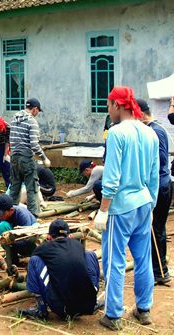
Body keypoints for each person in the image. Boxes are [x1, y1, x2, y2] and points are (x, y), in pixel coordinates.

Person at [93, 86, 159, 330]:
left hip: (120, 207)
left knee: (114, 260)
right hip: (143, 202)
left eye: (109, 105)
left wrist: (103, 210)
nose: (108, 111)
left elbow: (111, 177)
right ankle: (144, 309)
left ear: (118, 106)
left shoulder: (117, 133)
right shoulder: (149, 132)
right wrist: (151, 205)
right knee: (143, 259)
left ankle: (112, 314)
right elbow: (153, 175)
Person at [18, 219, 100, 320]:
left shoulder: (45, 247)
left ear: (49, 237)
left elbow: (35, 262)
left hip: (62, 308)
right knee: (89, 254)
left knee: (34, 260)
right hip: (87, 305)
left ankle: (41, 309)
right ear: (70, 236)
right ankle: (94, 299)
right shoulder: (77, 245)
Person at [138, 98, 172, 285]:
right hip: (163, 183)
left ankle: (160, 271)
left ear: (142, 113)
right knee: (157, 228)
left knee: (155, 228)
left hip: (159, 185)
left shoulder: (154, 131)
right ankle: (158, 267)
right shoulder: (157, 128)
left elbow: (159, 158)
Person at [8, 98, 51, 217]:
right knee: (31, 188)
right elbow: (34, 144)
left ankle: (10, 215)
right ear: (35, 109)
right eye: (38, 111)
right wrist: (44, 157)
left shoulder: (14, 119)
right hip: (26, 157)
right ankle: (33, 217)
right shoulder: (32, 121)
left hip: (14, 157)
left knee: (14, 188)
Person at [0, 194, 37, 265]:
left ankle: (31, 257)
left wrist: (10, 241)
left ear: (11, 210)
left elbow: (26, 237)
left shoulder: (22, 215)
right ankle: (14, 261)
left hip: (30, 242)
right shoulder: (0, 214)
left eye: (1, 213)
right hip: (15, 239)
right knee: (2, 227)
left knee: (6, 239)